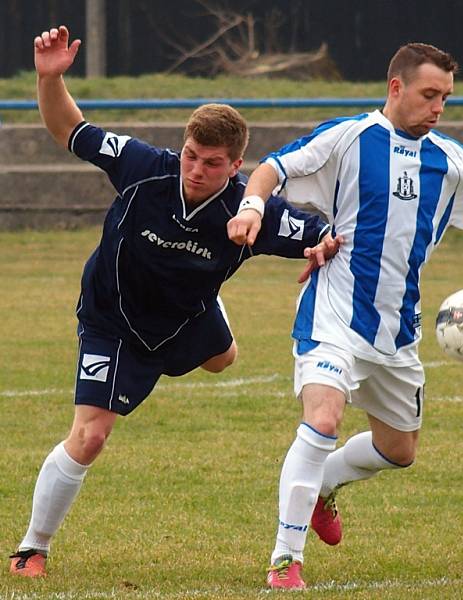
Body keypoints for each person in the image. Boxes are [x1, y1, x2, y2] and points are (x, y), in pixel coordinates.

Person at [8, 25, 338, 578]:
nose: (196, 169)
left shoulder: (252, 213)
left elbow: (320, 231)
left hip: (184, 315)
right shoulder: (143, 168)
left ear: (236, 166)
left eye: (212, 163)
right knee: (90, 434)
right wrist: (50, 79)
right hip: (112, 318)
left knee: (224, 359)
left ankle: (213, 318)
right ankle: (32, 548)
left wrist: (323, 245)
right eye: (191, 155)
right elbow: (71, 128)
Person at [226, 42, 463, 589]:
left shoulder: (448, 162)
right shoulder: (349, 139)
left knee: (399, 452)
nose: (438, 107)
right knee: (323, 419)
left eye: (445, 97)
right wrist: (252, 207)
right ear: (395, 88)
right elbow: (272, 171)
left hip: (398, 336)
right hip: (332, 319)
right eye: (428, 95)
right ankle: (285, 560)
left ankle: (324, 487)